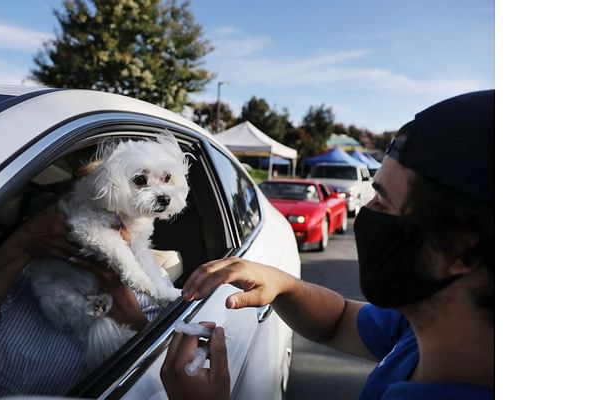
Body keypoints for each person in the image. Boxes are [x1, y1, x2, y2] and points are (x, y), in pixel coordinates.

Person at [161, 90, 495, 399]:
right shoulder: (421, 332)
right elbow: (340, 320)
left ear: (459, 247)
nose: (365, 212)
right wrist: (285, 286)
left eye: (383, 201)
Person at [0, 204, 162, 399]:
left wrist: (115, 284)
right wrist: (21, 243)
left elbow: (149, 371)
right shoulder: (37, 248)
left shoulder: (153, 283)